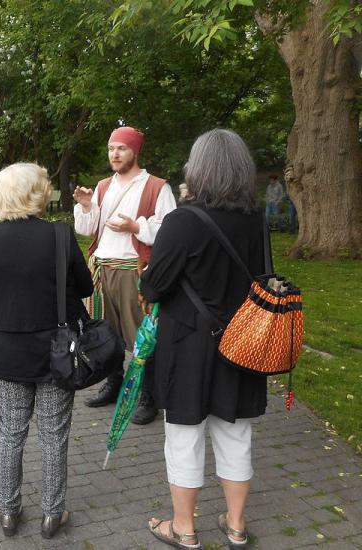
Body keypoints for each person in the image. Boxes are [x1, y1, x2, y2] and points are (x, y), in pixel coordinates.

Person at [140, 129, 266, 549]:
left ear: (199, 169)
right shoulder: (256, 220)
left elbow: (153, 287)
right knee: (236, 432)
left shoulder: (182, 221)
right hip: (242, 341)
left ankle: (184, 528)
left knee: (184, 434)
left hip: (188, 344)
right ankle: (235, 525)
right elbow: (263, 280)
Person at [0, 163, 93, 539]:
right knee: (54, 433)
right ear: (38, 194)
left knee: (10, 432)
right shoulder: (59, 235)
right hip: (56, 351)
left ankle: (9, 511)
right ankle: (51, 514)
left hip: (8, 349)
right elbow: (85, 287)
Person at [72, 126, 176, 424]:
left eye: (121, 149)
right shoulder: (103, 186)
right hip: (103, 269)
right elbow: (87, 230)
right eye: (111, 149)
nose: (114, 154)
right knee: (108, 335)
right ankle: (114, 383)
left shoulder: (157, 187)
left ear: (135, 151)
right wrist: (86, 206)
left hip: (135, 271)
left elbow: (170, 231)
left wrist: (136, 228)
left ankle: (148, 396)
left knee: (143, 336)